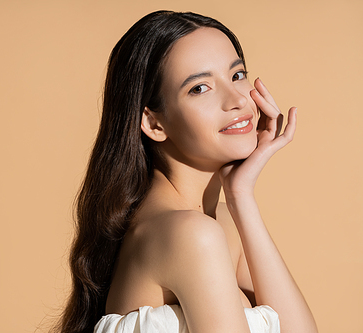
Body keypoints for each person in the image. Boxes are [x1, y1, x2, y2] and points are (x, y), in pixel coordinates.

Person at [53, 10, 318, 333]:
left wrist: (240, 195)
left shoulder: (219, 223)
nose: (236, 100)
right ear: (153, 122)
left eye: (237, 75)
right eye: (200, 88)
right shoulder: (191, 234)